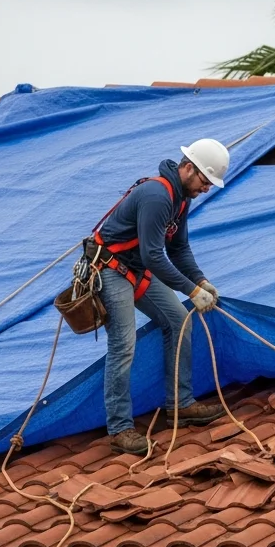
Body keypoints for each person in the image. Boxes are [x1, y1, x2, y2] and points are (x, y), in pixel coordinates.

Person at [89, 139, 230, 455]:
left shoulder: (182, 198)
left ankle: (180, 405)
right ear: (188, 168)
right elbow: (154, 255)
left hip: (136, 269)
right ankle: (120, 428)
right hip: (111, 269)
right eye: (205, 181)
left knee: (179, 321)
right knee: (124, 344)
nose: (206, 188)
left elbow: (178, 248)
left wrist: (200, 280)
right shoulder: (157, 195)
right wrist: (191, 291)